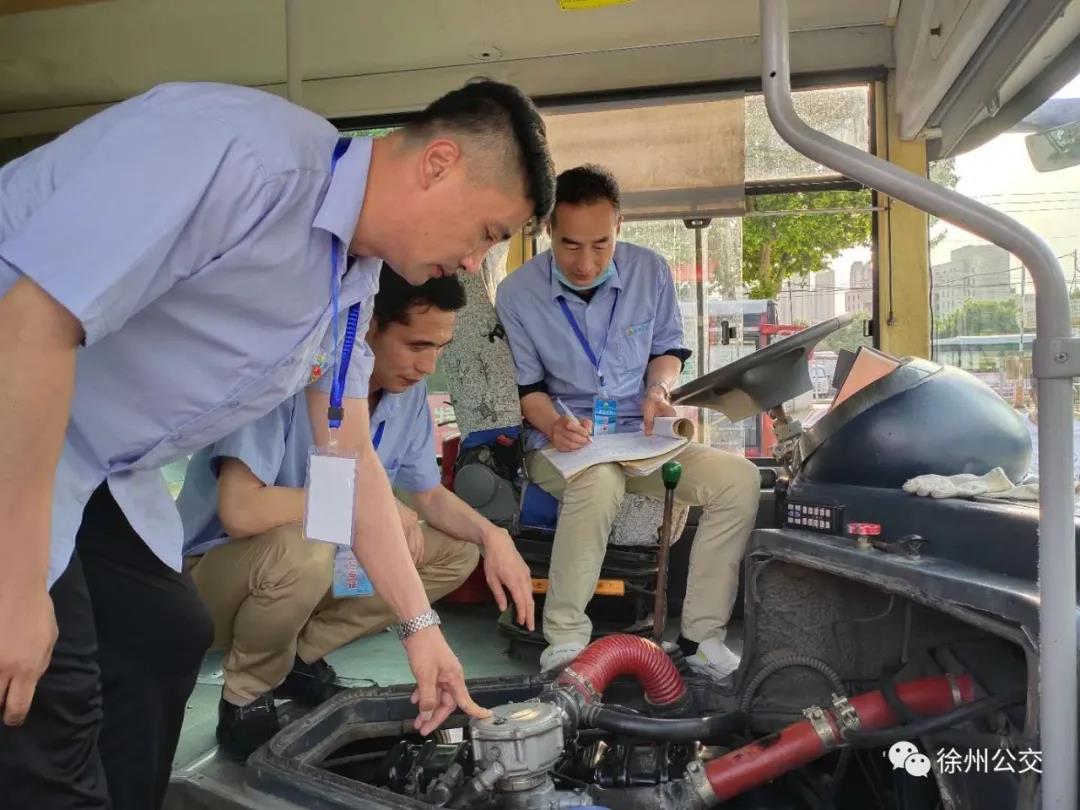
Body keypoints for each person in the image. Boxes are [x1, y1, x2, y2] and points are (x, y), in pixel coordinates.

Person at [0, 80, 554, 809]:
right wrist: (15, 581)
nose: (477, 262)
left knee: (166, 635)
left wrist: (422, 632)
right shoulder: (245, 159)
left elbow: (350, 457)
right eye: (486, 231)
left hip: (88, 454)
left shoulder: (352, 283)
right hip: (17, 410)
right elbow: (30, 322)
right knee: (46, 690)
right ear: (439, 163)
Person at [178, 266, 535, 759]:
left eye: (439, 349)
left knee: (456, 551)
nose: (428, 365)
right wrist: (365, 503)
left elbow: (429, 495)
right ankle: (247, 694)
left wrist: (493, 536)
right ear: (367, 327)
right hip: (208, 587)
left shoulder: (406, 395)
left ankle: (299, 656)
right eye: (416, 345)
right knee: (304, 548)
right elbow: (240, 510)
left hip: (306, 573)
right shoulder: (285, 380)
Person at [494, 164, 760, 680]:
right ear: (548, 230)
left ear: (620, 226)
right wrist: (554, 425)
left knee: (740, 479)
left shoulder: (650, 271)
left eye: (601, 244)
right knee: (599, 479)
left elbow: (667, 351)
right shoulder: (518, 293)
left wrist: (658, 390)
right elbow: (528, 391)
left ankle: (701, 637)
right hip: (562, 439)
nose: (586, 263)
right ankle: (566, 641)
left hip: (640, 436)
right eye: (570, 245)